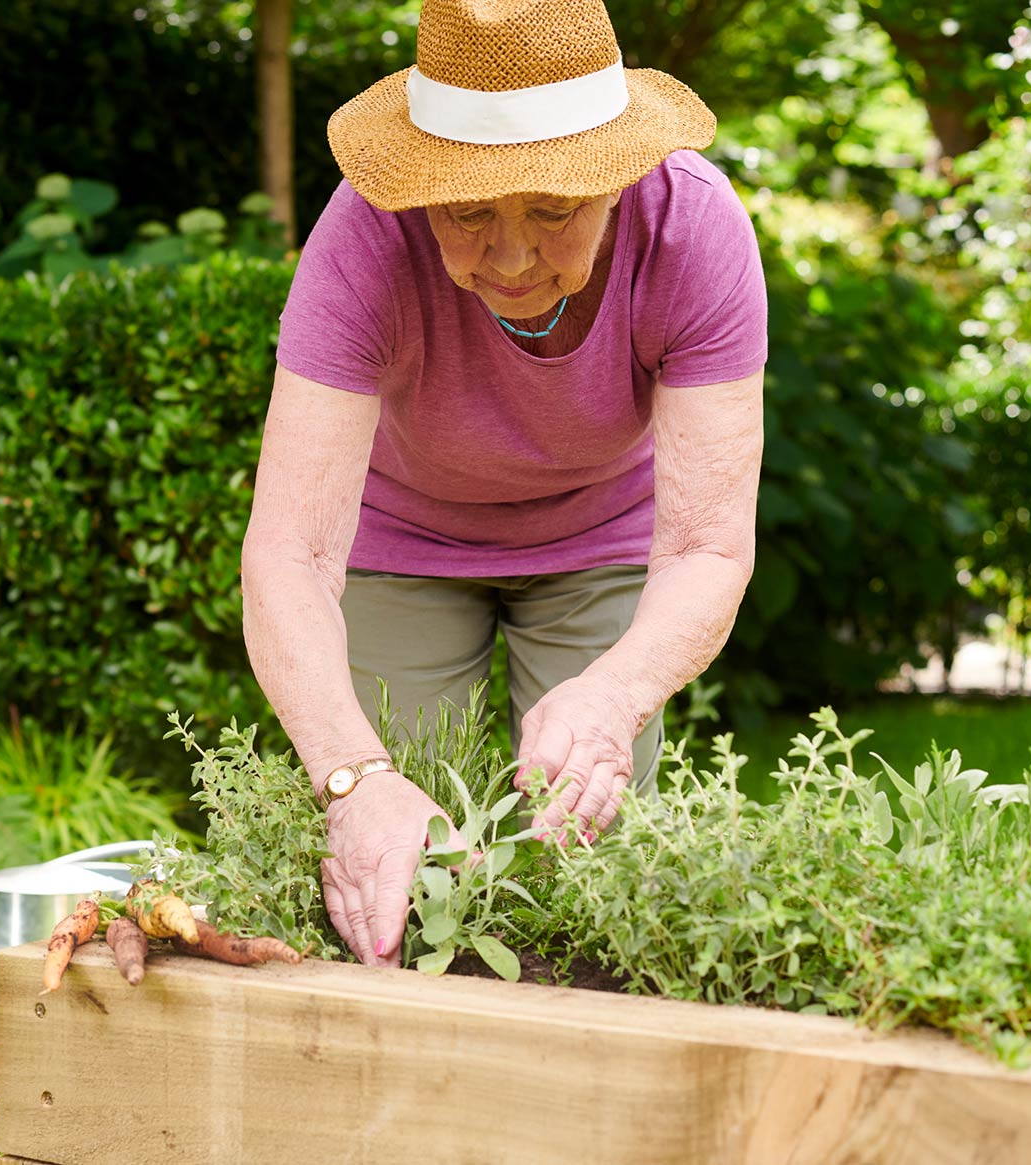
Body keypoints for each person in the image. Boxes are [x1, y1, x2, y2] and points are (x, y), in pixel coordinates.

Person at [240, 0, 768, 967]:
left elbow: (706, 546)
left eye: (556, 209)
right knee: (405, 858)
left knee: (587, 856)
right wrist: (355, 779)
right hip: (406, 540)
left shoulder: (693, 231)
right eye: (471, 211)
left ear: (619, 178)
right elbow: (289, 553)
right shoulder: (363, 239)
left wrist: (614, 696)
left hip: (603, 533)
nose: (514, 256)